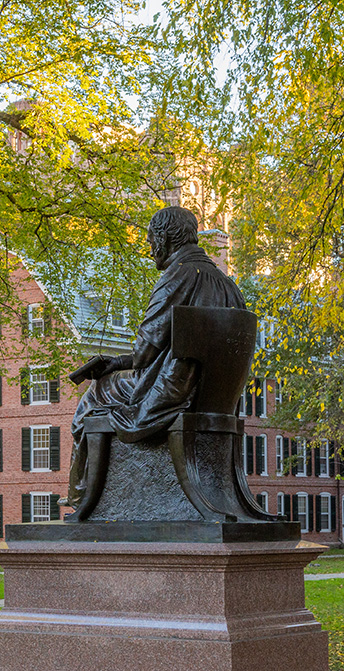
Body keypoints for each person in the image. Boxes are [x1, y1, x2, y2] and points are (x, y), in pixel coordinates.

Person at [67, 206, 246, 513]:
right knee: (110, 381)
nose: (151, 251)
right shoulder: (227, 284)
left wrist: (114, 365)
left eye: (151, 242)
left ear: (164, 238)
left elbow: (145, 352)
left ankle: (83, 497)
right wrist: (118, 362)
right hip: (214, 399)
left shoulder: (178, 275)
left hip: (171, 392)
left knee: (96, 394)